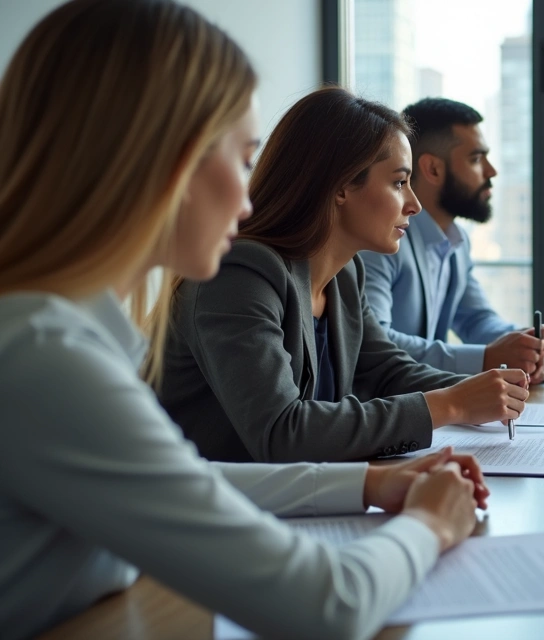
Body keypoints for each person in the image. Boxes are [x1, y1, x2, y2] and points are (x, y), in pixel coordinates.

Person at [0, 1, 486, 638]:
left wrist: (371, 483)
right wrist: (431, 523)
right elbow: (324, 607)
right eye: (243, 157)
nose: (250, 195)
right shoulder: (45, 358)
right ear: (164, 162)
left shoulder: (59, 338)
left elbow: (187, 481)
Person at [155, 88, 530, 463]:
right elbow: (282, 432)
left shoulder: (344, 275)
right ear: (341, 186)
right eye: (400, 183)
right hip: (214, 510)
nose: (414, 204)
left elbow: (388, 371)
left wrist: (485, 392)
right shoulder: (239, 277)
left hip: (301, 500)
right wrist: (450, 405)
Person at [361, 98, 544, 379]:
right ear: (433, 169)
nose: (491, 171)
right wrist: (486, 358)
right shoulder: (381, 241)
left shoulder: (455, 240)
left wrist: (521, 342)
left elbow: (476, 319)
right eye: (476, 159)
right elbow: (375, 344)